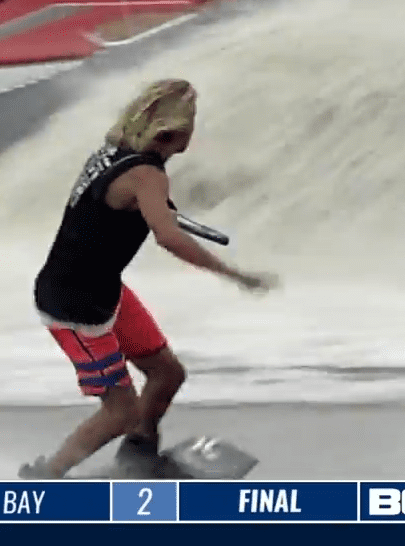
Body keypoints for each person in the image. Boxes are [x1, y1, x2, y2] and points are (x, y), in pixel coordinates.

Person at [19, 78, 278, 480]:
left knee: (167, 374)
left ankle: (138, 453)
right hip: (73, 305)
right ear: (173, 133)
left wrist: (159, 209)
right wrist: (234, 275)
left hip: (103, 290)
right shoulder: (147, 176)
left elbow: (117, 206)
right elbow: (169, 238)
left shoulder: (116, 153)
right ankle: (44, 479)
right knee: (119, 411)